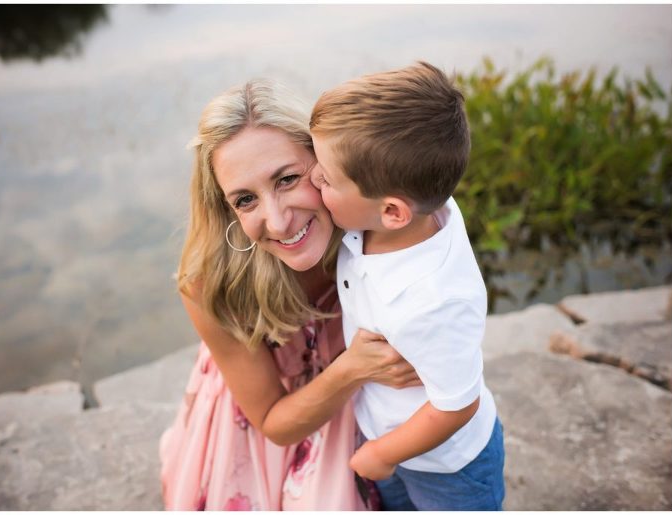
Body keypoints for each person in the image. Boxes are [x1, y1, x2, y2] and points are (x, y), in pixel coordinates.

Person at [158, 78, 423, 510]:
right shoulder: (208, 283)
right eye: (245, 200)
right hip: (272, 423)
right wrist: (352, 369)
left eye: (286, 179)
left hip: (370, 398)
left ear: (321, 159)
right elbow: (272, 422)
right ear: (225, 206)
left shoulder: (373, 220)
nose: (278, 223)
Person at [308, 61, 505, 510]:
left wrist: (382, 453)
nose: (314, 178)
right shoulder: (412, 206)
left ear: (393, 212)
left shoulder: (434, 300)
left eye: (327, 177)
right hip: (384, 429)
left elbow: (457, 405)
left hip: (448, 467)